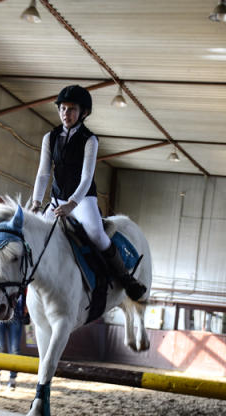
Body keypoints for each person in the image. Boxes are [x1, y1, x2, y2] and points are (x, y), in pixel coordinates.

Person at [30, 85, 146, 301]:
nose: (66, 114)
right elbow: (43, 173)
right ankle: (25, 297)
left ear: (83, 113)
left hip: (83, 200)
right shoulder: (50, 137)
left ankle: (126, 278)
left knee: (96, 235)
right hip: (57, 198)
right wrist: (36, 202)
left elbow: (86, 178)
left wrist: (72, 204)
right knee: (39, 236)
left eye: (72, 109)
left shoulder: (90, 140)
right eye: (62, 109)